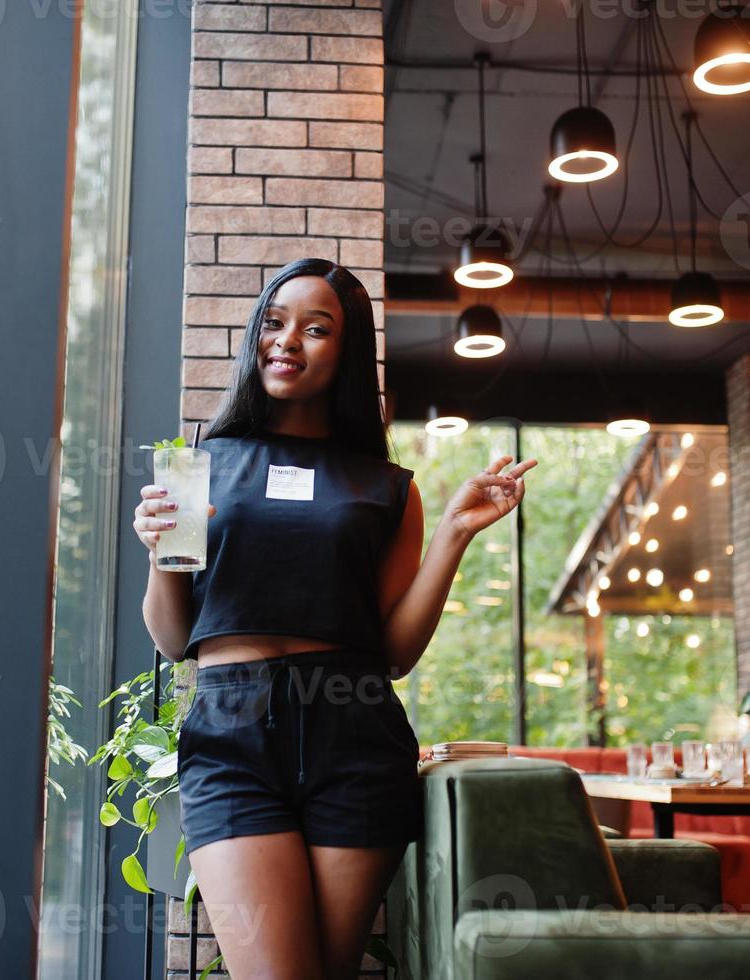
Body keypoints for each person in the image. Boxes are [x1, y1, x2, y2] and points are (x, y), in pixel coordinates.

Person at [133, 257, 535, 979]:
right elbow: (172, 640)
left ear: (346, 354)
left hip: (352, 736)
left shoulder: (387, 489)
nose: (286, 340)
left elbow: (395, 651)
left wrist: (452, 533)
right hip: (230, 737)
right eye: (275, 321)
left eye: (316, 329)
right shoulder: (192, 469)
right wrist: (161, 556)